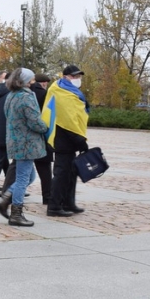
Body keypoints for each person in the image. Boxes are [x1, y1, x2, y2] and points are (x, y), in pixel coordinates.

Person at [0, 68, 48, 227]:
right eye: (31, 80)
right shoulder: (25, 97)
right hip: (26, 143)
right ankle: (16, 213)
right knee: (24, 178)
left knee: (29, 177)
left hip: (16, 141)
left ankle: (5, 200)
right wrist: (46, 127)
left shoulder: (11, 96)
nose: (33, 82)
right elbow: (34, 121)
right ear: (25, 81)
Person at [42, 65, 90, 217]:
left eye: (79, 77)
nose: (77, 79)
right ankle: (54, 206)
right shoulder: (60, 91)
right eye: (74, 76)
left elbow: (75, 115)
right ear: (65, 76)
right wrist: (80, 141)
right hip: (64, 138)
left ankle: (68, 202)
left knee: (71, 172)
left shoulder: (72, 92)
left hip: (70, 138)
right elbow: (67, 120)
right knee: (61, 173)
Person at [30, 73, 53, 204]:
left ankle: (9, 194)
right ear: (43, 83)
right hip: (42, 135)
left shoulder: (24, 93)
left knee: (18, 168)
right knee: (44, 168)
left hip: (26, 137)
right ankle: (47, 196)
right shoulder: (44, 95)